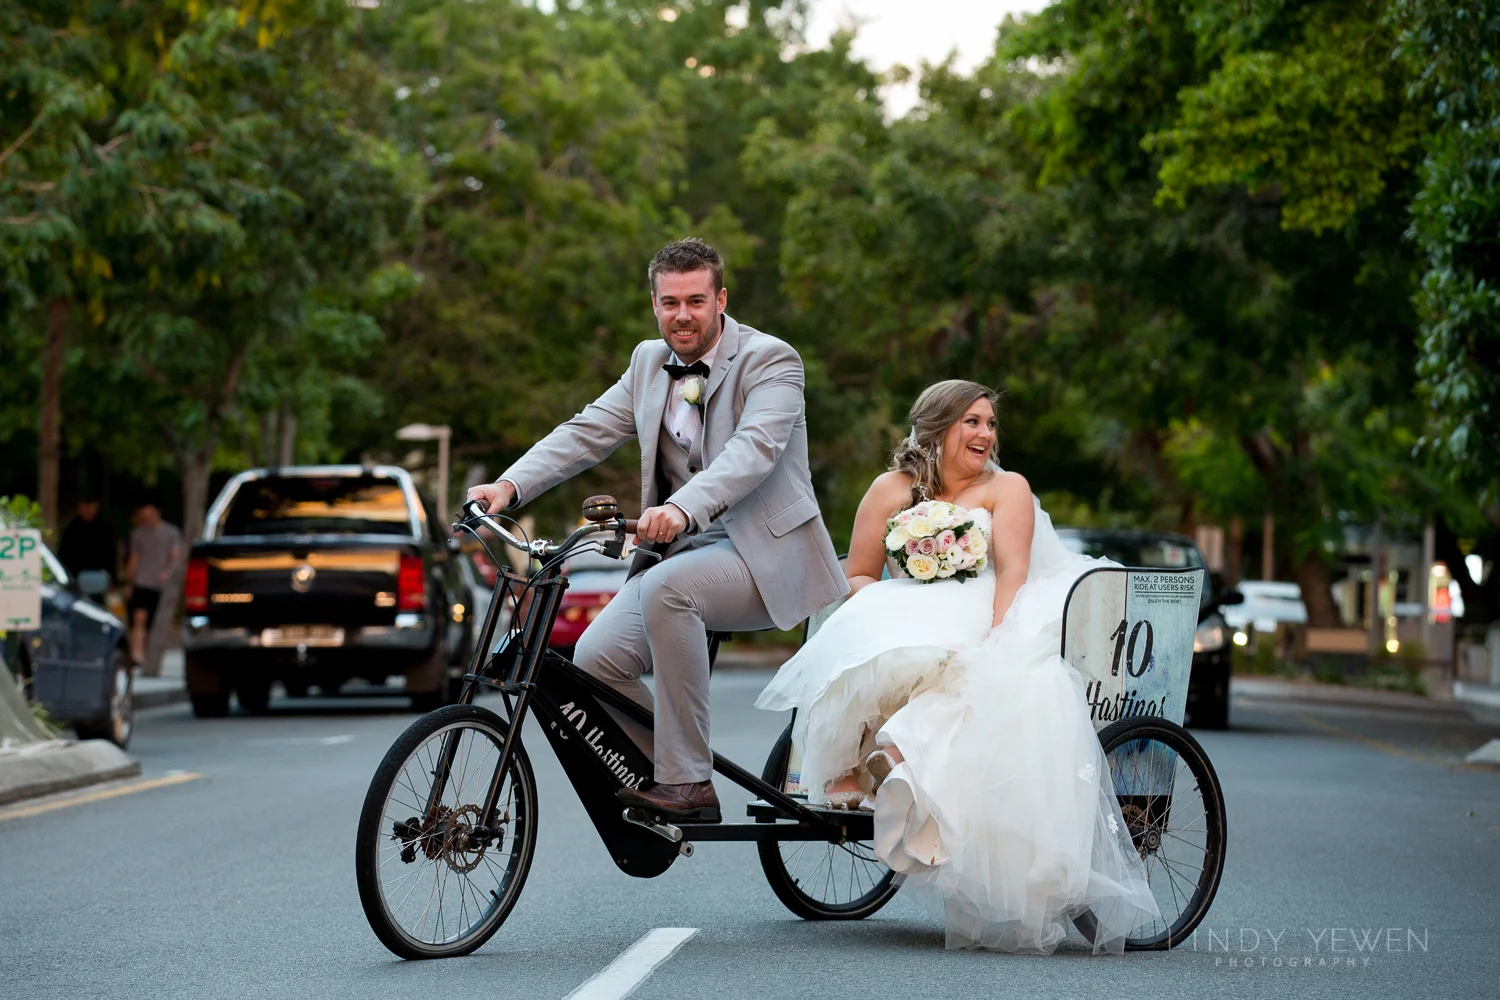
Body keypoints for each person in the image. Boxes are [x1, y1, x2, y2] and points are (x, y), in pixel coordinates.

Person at [755, 380, 1160, 955]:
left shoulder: (1006, 489)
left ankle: (897, 758)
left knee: (970, 665)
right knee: (875, 619)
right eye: (972, 422)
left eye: (991, 424)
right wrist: (911, 585)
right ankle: (855, 762)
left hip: (990, 609)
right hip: (912, 603)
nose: (985, 434)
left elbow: (1014, 574)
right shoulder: (891, 489)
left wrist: (994, 640)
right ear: (939, 427)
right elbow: (860, 574)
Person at [465, 238, 846, 822]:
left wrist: (683, 509)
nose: (683, 315)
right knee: (593, 659)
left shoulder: (772, 360)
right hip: (684, 557)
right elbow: (585, 431)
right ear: (654, 305)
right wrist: (508, 488)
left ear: (721, 299)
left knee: (673, 590)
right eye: (670, 303)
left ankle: (689, 782)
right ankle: (661, 772)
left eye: (696, 301)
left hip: (764, 557)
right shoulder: (648, 363)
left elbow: (754, 451)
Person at [124, 500, 183, 665]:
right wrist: (128, 582)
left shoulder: (171, 533)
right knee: (139, 618)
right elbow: (134, 558)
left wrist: (168, 573)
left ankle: (153, 654)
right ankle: (137, 653)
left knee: (157, 623)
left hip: (161, 584)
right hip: (142, 581)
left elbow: (176, 556)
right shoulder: (138, 534)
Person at [58, 497, 116, 582]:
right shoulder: (71, 529)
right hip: (76, 575)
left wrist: (112, 576)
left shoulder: (104, 529)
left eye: (91, 508)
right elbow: (64, 553)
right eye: (85, 508)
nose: (88, 511)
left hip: (98, 575)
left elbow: (110, 554)